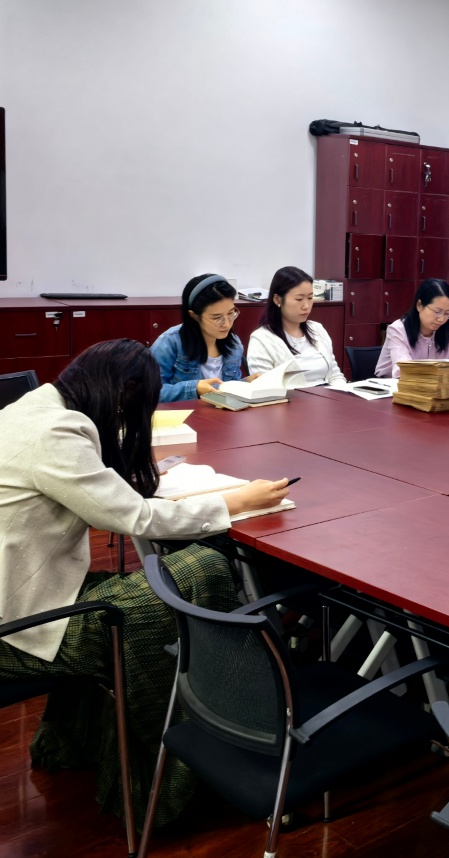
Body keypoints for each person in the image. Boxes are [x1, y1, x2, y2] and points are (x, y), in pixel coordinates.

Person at [0, 340, 291, 827]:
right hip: (15, 626)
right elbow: (133, 517)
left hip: (23, 591)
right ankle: (167, 781)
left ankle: (99, 746)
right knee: (199, 570)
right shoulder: (56, 433)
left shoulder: (34, 407)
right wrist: (234, 502)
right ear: (123, 396)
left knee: (169, 580)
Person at [150, 273, 251, 402]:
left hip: (222, 413)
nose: (227, 324)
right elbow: (150, 393)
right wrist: (194, 389)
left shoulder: (234, 344)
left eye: (231, 313)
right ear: (194, 316)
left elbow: (226, 389)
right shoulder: (169, 343)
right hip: (185, 414)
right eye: (217, 318)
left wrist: (247, 383)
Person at [246, 266, 347, 387]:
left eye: (310, 298)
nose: (306, 306)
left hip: (328, 396)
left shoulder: (317, 329)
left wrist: (341, 393)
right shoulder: (262, 339)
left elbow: (335, 375)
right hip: (289, 399)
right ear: (277, 300)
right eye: (299, 299)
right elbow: (264, 388)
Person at [375, 279, 449, 378]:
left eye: (447, 313)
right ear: (419, 305)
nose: (442, 319)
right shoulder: (398, 330)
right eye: (437, 312)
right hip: (393, 384)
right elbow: (405, 371)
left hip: (434, 384)